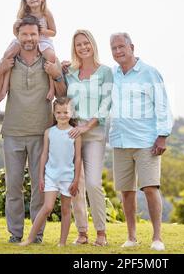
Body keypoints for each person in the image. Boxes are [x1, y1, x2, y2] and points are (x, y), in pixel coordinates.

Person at [0, 15, 67, 244]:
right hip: (13, 131)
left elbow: (62, 95)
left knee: (39, 187)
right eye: (24, 34)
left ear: (39, 35)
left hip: (40, 133)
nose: (29, 38)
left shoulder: (48, 60)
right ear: (18, 35)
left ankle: (37, 235)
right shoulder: (9, 61)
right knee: (13, 187)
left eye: (33, 34)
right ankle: (15, 235)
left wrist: (57, 74)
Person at [109, 32, 173, 251]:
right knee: (126, 191)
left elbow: (162, 105)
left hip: (147, 141)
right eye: (114, 48)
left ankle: (157, 238)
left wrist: (163, 135)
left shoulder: (149, 73)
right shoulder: (112, 75)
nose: (118, 51)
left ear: (131, 47)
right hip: (120, 140)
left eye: (121, 47)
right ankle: (132, 237)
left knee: (150, 188)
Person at [63, 30, 113, 246]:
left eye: (86, 43)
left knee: (93, 182)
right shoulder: (70, 73)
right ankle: (82, 233)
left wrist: (87, 126)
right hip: (73, 133)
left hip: (93, 134)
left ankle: (101, 232)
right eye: (78, 45)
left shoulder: (105, 72)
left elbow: (106, 104)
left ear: (92, 44)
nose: (82, 47)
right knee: (75, 184)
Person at [19, 97, 81, 247]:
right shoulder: (49, 132)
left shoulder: (75, 133)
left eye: (65, 112)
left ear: (71, 113)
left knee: (66, 210)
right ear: (54, 113)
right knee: (47, 207)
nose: (62, 115)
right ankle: (29, 239)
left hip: (67, 177)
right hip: (51, 176)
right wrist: (41, 177)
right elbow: (44, 155)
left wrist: (76, 180)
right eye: (58, 112)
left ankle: (62, 243)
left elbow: (78, 158)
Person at [0, 0, 57, 101]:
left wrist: (41, 30)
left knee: (51, 56)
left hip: (43, 39)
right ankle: (5, 85)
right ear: (25, 1)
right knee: (8, 54)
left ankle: (52, 88)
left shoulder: (46, 13)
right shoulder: (24, 14)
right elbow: (17, 33)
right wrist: (14, 28)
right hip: (25, 40)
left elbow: (54, 32)